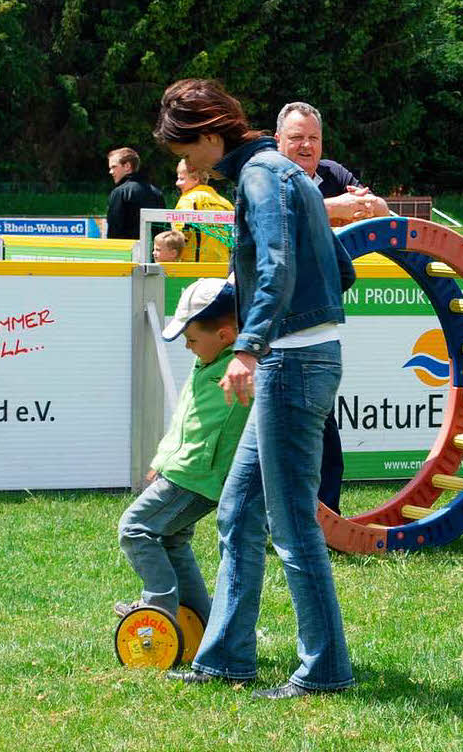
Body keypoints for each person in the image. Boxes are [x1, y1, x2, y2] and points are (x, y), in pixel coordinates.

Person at [154, 78, 357, 699]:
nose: (184, 164)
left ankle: (324, 669)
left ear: (212, 134)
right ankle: (224, 658)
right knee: (240, 514)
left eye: (186, 149)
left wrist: (249, 344)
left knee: (293, 525)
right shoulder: (282, 172)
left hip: (289, 365)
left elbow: (275, 262)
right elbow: (339, 270)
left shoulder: (261, 176)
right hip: (296, 358)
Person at [274, 101, 388, 514]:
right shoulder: (266, 175)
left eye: (313, 138)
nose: (306, 146)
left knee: (321, 421)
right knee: (273, 428)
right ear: (278, 141)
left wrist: (369, 205)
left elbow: (379, 213)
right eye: (297, 138)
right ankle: (284, 516)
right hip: (273, 317)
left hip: (318, 319)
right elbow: (278, 216)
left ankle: (326, 515)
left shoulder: (333, 175)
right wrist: (332, 209)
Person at [116, 278, 251, 624]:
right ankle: (203, 621)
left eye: (192, 340)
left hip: (195, 477)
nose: (188, 347)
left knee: (134, 528)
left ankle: (159, 608)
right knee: (172, 540)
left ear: (225, 335)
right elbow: (186, 419)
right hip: (180, 470)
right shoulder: (205, 362)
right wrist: (162, 460)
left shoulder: (239, 372)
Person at [173, 158, 234, 263]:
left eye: (181, 179)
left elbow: (179, 236)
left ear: (196, 179)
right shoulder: (225, 203)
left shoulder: (188, 200)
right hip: (223, 265)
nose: (177, 183)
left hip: (194, 266)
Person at [106, 147, 166, 239]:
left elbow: (114, 230)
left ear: (127, 166)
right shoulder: (157, 193)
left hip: (128, 251)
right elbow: (163, 230)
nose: (110, 172)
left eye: (114, 167)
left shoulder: (120, 192)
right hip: (153, 251)